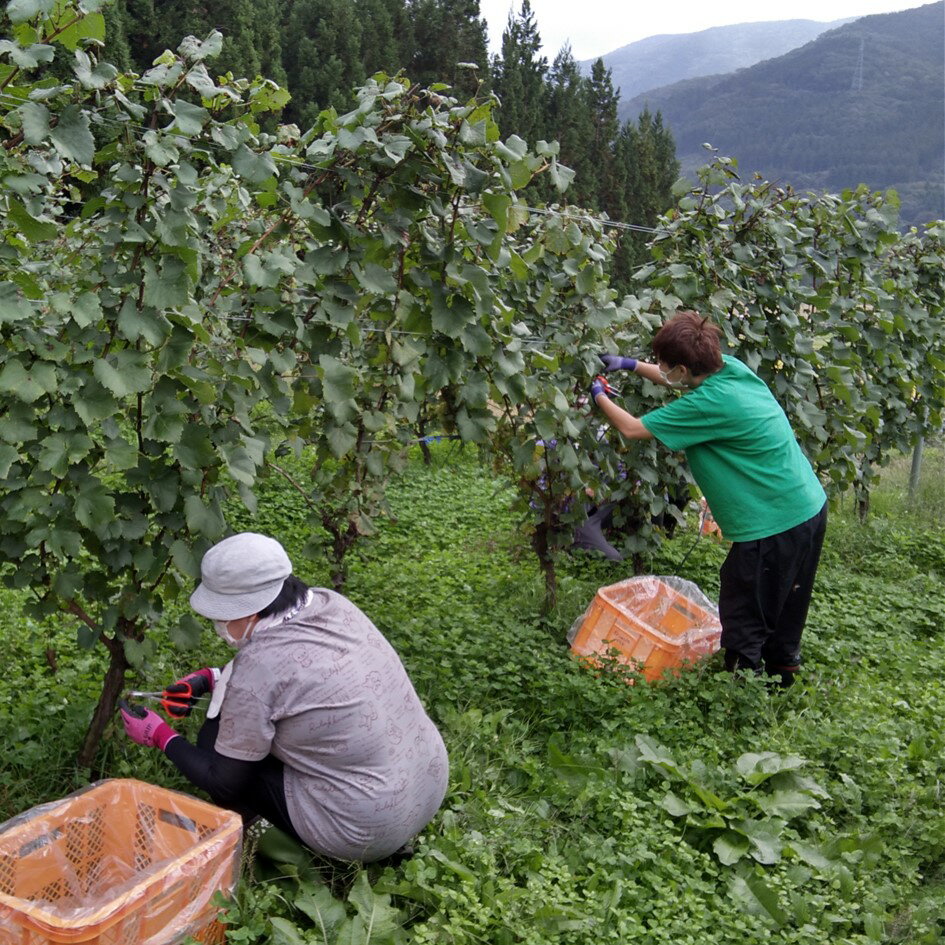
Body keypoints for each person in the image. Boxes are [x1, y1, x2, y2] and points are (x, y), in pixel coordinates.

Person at [120, 532, 449, 862]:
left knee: (212, 742)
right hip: (425, 786)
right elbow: (300, 674)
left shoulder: (259, 668)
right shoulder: (330, 604)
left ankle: (281, 856)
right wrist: (212, 679)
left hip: (362, 831)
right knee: (238, 730)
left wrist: (160, 735)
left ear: (250, 613)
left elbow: (223, 783)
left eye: (221, 617)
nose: (217, 625)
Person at [591, 310, 828, 687]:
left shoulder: (707, 405)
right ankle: (784, 679)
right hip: (807, 504)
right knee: (787, 605)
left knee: (745, 608)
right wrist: (631, 365)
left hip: (773, 520)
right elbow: (676, 381)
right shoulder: (729, 370)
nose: (663, 370)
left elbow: (632, 428)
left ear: (683, 369)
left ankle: (741, 696)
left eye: (667, 365)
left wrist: (600, 394)